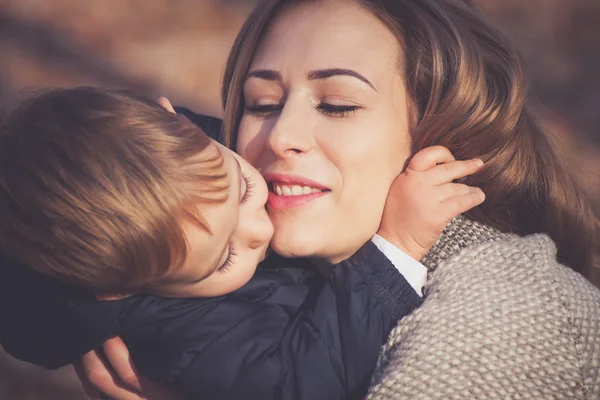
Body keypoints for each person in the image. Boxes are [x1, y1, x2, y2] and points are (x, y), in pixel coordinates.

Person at [0, 87, 485, 400]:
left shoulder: (177, 159)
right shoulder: (187, 335)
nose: (261, 231)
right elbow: (309, 381)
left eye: (246, 190)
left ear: (178, 124)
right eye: (224, 259)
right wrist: (396, 243)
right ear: (119, 291)